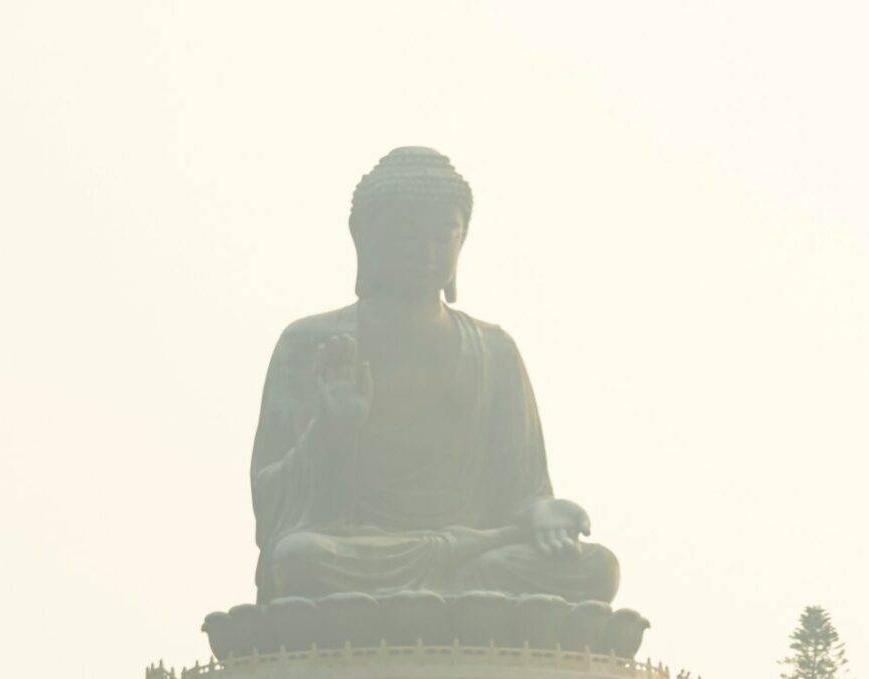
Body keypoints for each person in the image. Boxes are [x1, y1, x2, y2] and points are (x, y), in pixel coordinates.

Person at [251, 147, 620, 604]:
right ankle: (450, 601)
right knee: (299, 560)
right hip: (362, 555)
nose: (425, 253)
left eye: (442, 236)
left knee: (597, 570)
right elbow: (272, 512)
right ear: (365, 240)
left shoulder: (494, 351)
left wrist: (542, 512)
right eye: (406, 236)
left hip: (476, 559)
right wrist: (332, 427)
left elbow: (521, 492)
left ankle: (440, 596)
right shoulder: (310, 344)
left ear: (462, 241)